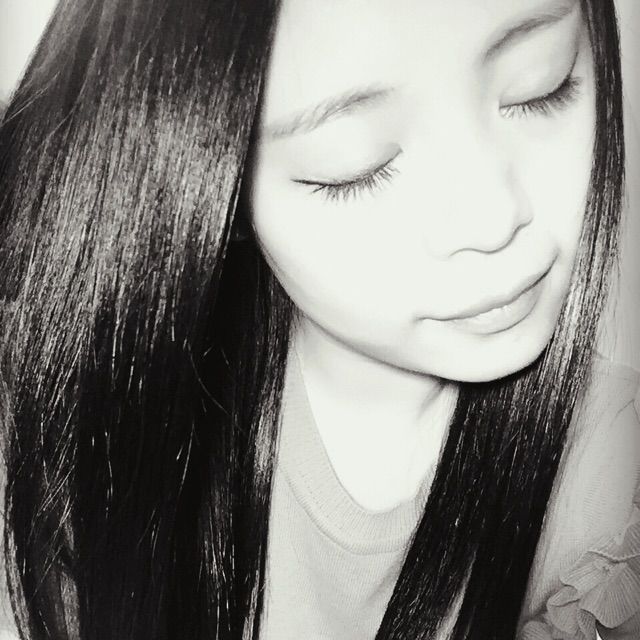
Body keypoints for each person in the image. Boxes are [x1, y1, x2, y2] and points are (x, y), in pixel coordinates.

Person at [0, 0, 637, 638]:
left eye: (539, 87)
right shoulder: (98, 435)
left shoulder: (613, 479)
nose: (493, 217)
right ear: (219, 194)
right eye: (353, 167)